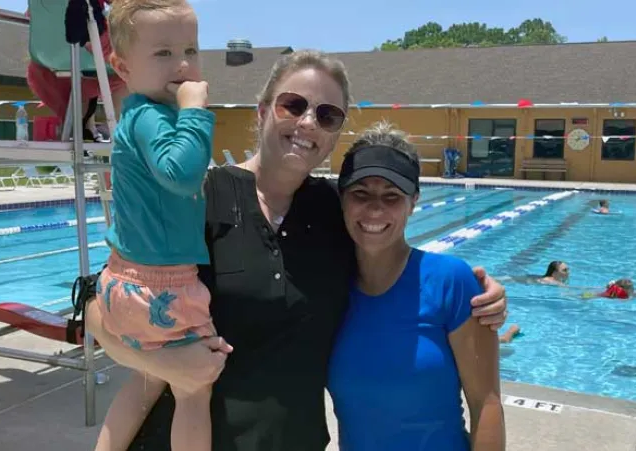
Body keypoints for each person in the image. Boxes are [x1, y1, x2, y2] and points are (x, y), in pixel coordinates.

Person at [81, 49, 509, 451]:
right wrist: (164, 365)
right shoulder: (198, 198)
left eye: (327, 115)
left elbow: (394, 267)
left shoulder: (335, 214)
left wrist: (482, 293)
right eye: (293, 105)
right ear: (263, 109)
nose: (308, 123)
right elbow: (103, 312)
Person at [88, 1, 222, 450]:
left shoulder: (139, 117)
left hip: (123, 279)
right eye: (163, 53)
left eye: (191, 49)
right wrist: (197, 112)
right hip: (161, 288)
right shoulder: (149, 116)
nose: (183, 64)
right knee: (193, 391)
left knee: (147, 378)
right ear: (122, 67)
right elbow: (181, 174)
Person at [327, 122, 505, 450]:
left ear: (414, 202)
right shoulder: (327, 288)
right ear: (342, 200)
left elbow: (487, 405)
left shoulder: (451, 282)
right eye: (360, 194)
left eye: (392, 196)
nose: (375, 208)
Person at [25, 0, 128, 141]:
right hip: (89, 45)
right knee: (130, 62)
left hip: (46, 53)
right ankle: (121, 126)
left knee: (86, 72)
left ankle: (84, 126)